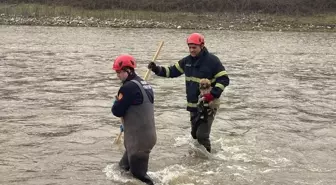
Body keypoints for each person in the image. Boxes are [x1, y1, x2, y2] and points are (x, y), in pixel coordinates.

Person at [147, 33, 229, 153]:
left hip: (208, 104)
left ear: (202, 46)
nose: (191, 50)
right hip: (193, 105)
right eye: (189, 47)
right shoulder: (187, 61)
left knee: (202, 135)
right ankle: (197, 159)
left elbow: (224, 79)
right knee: (194, 134)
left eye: (194, 47)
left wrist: (213, 94)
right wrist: (156, 69)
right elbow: (171, 71)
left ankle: (208, 162)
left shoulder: (213, 61)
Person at [111, 54, 156, 185]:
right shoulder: (145, 84)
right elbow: (139, 109)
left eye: (119, 72)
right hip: (145, 136)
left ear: (128, 70)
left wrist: (116, 102)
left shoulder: (128, 87)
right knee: (122, 170)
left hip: (139, 141)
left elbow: (117, 111)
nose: (117, 75)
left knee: (140, 177)